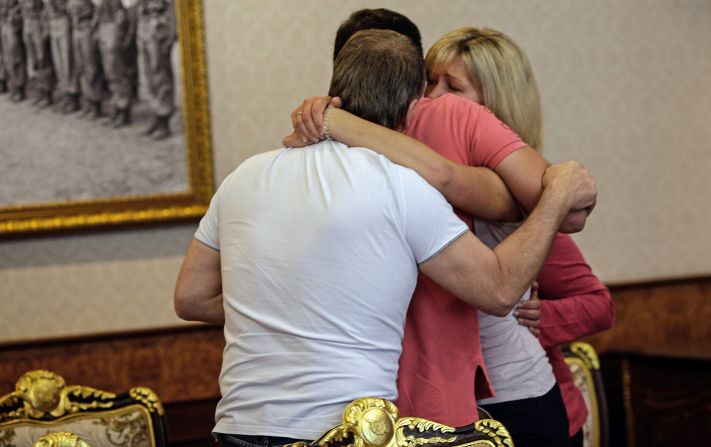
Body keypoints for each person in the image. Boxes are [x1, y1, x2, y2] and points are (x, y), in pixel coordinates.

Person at [175, 29, 596, 447]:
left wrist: (287, 311)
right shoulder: (402, 186)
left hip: (240, 424)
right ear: (413, 106)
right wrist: (557, 195)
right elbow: (500, 289)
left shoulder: (243, 177)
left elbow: (191, 298)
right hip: (347, 429)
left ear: (334, 90)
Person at [291, 20, 611, 446]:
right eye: (428, 82)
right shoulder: (364, 154)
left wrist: (335, 119)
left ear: (493, 100)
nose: (434, 98)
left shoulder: (475, 152)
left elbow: (573, 229)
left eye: (452, 86)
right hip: (421, 400)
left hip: (513, 392)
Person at [136, 0, 176, 140]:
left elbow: (172, 8)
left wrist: (171, 34)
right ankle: (155, 114)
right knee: (148, 76)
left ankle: (164, 120)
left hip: (159, 26)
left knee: (161, 75)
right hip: (144, 25)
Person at [96, 0, 135, 127]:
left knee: (118, 71)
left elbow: (128, 8)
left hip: (114, 26)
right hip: (104, 26)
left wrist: (121, 31)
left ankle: (124, 110)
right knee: (109, 72)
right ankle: (116, 106)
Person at [68, 0, 104, 119]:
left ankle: (95, 104)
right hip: (76, 28)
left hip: (86, 27)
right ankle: (88, 102)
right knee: (80, 66)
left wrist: (93, 26)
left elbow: (98, 8)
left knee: (91, 67)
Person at [46, 0, 79, 113]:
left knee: (67, 60)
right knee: (58, 61)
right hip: (52, 19)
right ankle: (64, 93)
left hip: (63, 18)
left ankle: (72, 96)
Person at [21, 0, 53, 107]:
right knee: (33, 59)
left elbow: (46, 6)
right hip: (28, 22)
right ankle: (39, 90)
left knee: (42, 58)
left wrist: (46, 27)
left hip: (38, 21)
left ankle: (47, 93)